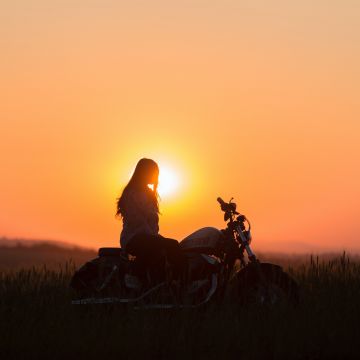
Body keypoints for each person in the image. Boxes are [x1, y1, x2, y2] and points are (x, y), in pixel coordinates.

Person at [116, 158, 184, 278]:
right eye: (153, 173)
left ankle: (171, 282)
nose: (155, 177)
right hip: (133, 238)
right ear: (144, 172)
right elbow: (136, 221)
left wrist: (155, 237)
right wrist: (155, 238)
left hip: (148, 237)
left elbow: (152, 224)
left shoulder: (149, 194)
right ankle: (139, 278)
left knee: (172, 246)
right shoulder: (131, 193)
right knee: (169, 245)